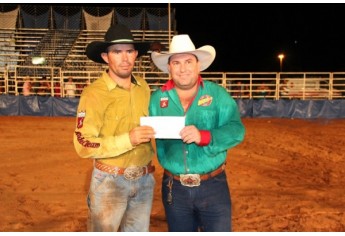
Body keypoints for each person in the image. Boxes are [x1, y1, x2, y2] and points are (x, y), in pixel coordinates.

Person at [149, 34, 245, 232]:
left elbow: (236, 129)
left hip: (213, 186)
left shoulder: (217, 94)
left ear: (198, 65)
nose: (183, 69)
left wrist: (205, 136)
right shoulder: (157, 99)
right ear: (169, 67)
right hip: (174, 188)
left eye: (188, 62)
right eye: (176, 63)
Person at [73, 24, 156, 232]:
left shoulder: (143, 87)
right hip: (109, 182)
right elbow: (83, 142)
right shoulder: (94, 94)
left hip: (144, 178)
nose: (125, 58)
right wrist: (128, 139)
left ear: (136, 54)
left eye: (129, 51)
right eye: (117, 52)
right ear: (105, 57)